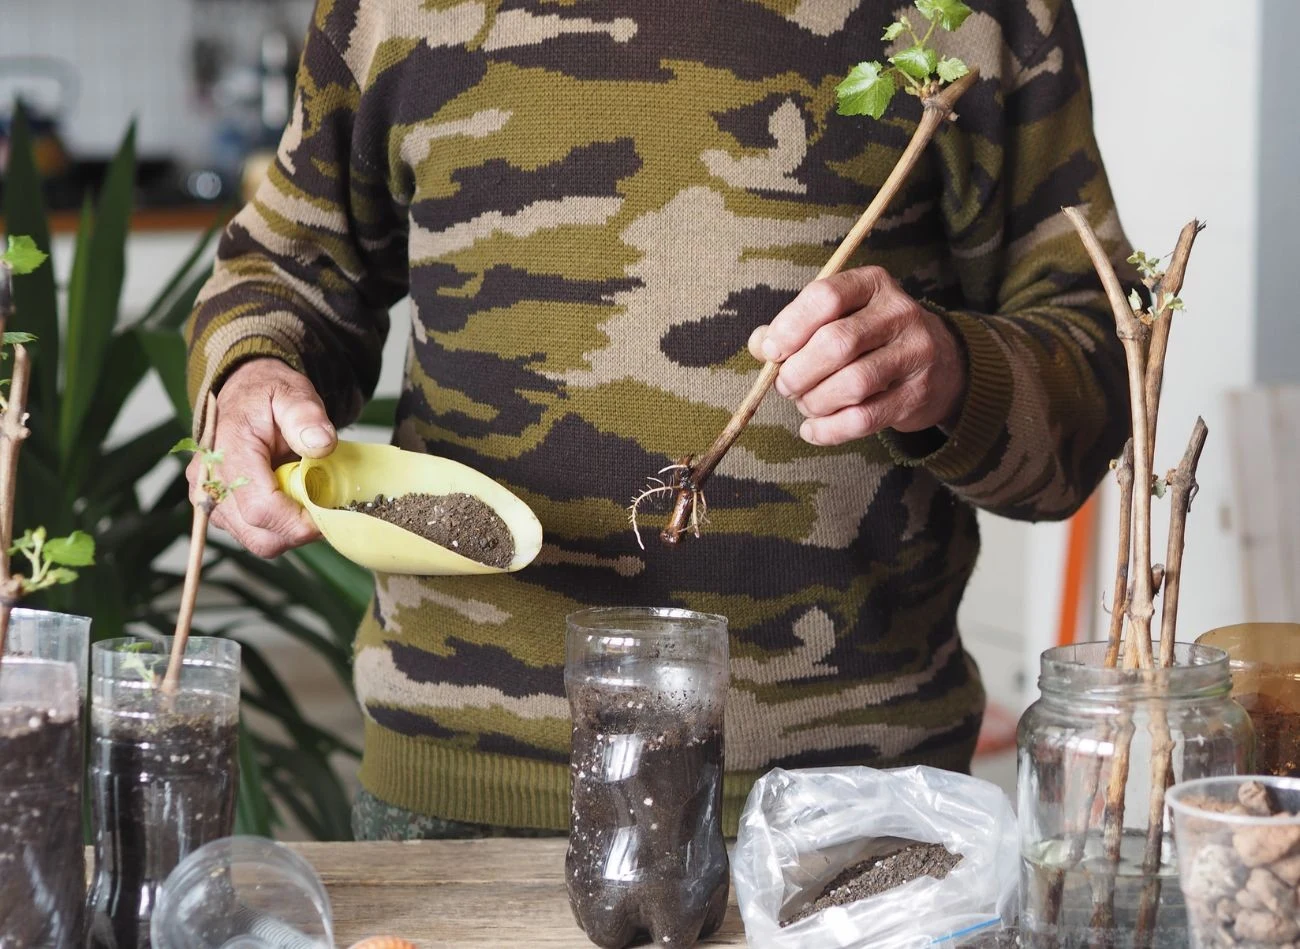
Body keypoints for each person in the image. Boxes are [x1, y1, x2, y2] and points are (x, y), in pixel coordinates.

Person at [185, 0, 1135, 841]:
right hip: (464, 789)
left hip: (852, 807)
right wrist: (254, 374)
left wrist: (954, 374)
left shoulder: (969, 15)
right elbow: (287, 268)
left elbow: (1102, 363)